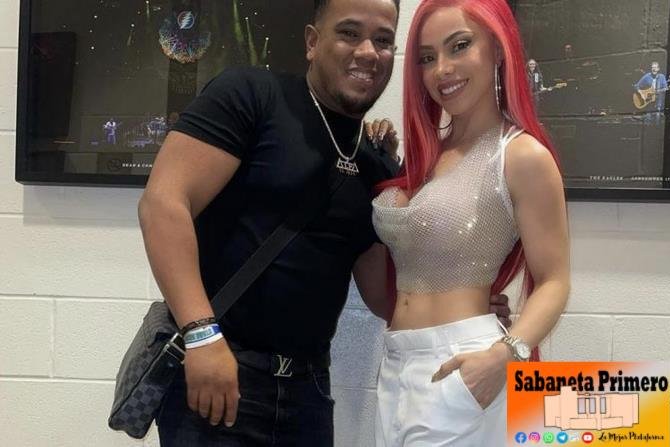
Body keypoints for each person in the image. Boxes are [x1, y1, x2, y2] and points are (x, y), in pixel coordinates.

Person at [137, 0, 510, 446]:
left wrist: (464, 304)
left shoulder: (375, 163)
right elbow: (163, 204)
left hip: (308, 392)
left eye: (383, 40)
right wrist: (202, 336)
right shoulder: (251, 95)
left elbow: (382, 293)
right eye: (349, 33)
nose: (368, 51)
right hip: (221, 372)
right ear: (313, 42)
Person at [372, 0, 570, 445]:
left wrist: (505, 355)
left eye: (459, 46)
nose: (442, 69)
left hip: (464, 363)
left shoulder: (520, 155)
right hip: (396, 364)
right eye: (427, 57)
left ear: (498, 49)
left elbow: (554, 280)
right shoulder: (425, 155)